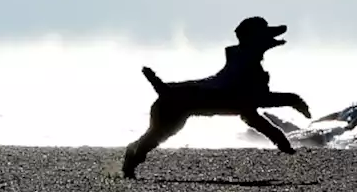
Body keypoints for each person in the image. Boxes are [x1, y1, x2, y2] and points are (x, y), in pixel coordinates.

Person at [122, 16, 312, 178]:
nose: (271, 36)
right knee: (160, 134)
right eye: (264, 34)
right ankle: (132, 158)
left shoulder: (245, 65)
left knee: (158, 134)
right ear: (253, 40)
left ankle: (133, 154)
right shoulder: (245, 69)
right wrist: (293, 100)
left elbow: (249, 112)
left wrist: (280, 140)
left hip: (177, 97)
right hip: (178, 100)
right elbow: (256, 103)